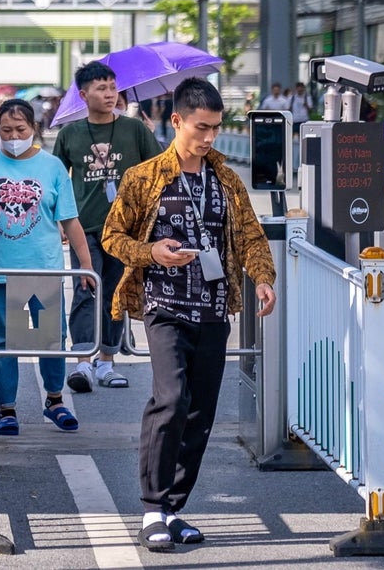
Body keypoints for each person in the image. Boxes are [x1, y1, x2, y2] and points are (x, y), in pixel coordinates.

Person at [101, 78, 276, 553]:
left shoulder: (225, 179)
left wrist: (262, 277)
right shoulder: (144, 177)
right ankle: (152, 507)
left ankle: (174, 508)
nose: (210, 138)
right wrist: (152, 251)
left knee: (201, 410)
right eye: (202, 127)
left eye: (217, 128)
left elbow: (252, 236)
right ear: (176, 121)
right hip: (164, 306)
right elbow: (112, 237)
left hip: (215, 308)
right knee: (171, 399)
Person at [0, 99, 94, 436]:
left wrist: (85, 263)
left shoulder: (51, 167)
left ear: (34, 129)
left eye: (20, 129)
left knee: (50, 340)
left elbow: (69, 219)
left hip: (43, 269)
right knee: (4, 343)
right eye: (5, 130)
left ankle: (55, 401)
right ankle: (6, 409)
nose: (12, 136)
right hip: (0, 268)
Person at [53, 62, 162, 393]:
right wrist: (59, 221)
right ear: (84, 95)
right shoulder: (70, 134)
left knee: (116, 293)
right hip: (82, 228)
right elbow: (56, 180)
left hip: (125, 230)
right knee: (85, 289)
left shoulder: (134, 129)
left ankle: (106, 361)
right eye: (101, 88)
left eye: (113, 87)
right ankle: (83, 362)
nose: (110, 93)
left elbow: (158, 170)